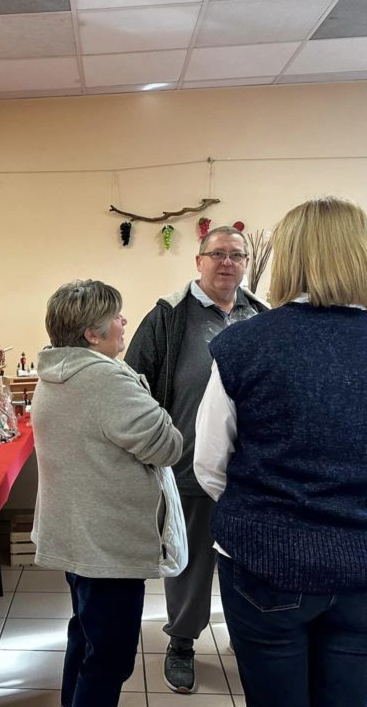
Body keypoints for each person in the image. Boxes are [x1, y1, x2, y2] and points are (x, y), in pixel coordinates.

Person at [194, 196, 367, 707]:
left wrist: (269, 505)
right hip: (366, 563)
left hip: (267, 560)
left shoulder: (244, 345)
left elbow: (211, 466)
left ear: (291, 257)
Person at [31, 279, 186, 707]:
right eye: (116, 316)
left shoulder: (55, 372)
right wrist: (136, 385)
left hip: (77, 534)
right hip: (108, 546)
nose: (124, 323)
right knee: (110, 660)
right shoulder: (106, 381)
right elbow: (169, 445)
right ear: (91, 334)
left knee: (85, 639)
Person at [124, 225, 266, 693]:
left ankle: (250, 639)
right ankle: (182, 641)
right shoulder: (169, 317)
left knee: (249, 560)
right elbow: (132, 383)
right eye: (218, 254)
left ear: (246, 263)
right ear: (198, 261)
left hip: (250, 470)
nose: (228, 262)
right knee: (188, 562)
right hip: (186, 465)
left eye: (237, 255)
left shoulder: (262, 315)